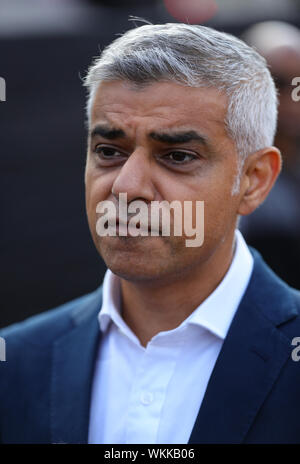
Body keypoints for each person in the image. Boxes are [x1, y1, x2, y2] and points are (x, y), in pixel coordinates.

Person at [1, 22, 300, 445]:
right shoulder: (16, 363)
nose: (126, 187)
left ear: (253, 180)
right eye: (109, 151)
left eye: (177, 156)